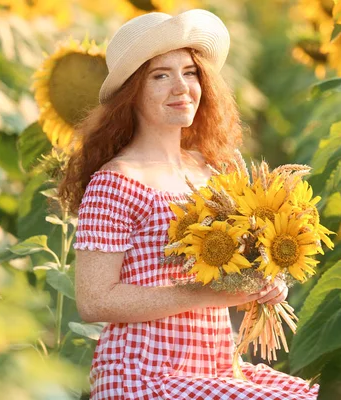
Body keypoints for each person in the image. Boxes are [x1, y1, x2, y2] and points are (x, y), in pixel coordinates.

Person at [58, 9, 319, 400]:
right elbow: (95, 301)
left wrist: (262, 283)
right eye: (160, 75)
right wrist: (211, 294)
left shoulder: (209, 173)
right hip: (142, 374)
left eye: (190, 72)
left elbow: (231, 269)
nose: (181, 87)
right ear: (132, 92)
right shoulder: (115, 181)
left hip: (212, 366)